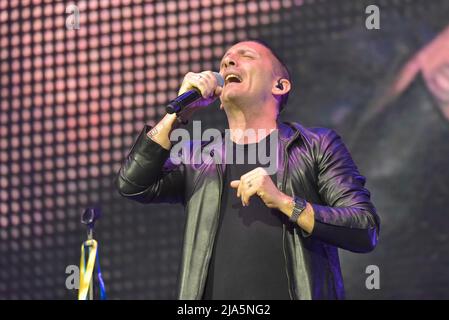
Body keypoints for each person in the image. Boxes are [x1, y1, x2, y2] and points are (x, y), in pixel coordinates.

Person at [115, 40, 380, 300]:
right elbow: (134, 184)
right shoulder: (198, 156)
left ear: (279, 85)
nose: (228, 61)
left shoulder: (315, 145)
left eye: (246, 56)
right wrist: (178, 113)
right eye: (225, 60)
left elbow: (364, 228)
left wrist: (285, 202)